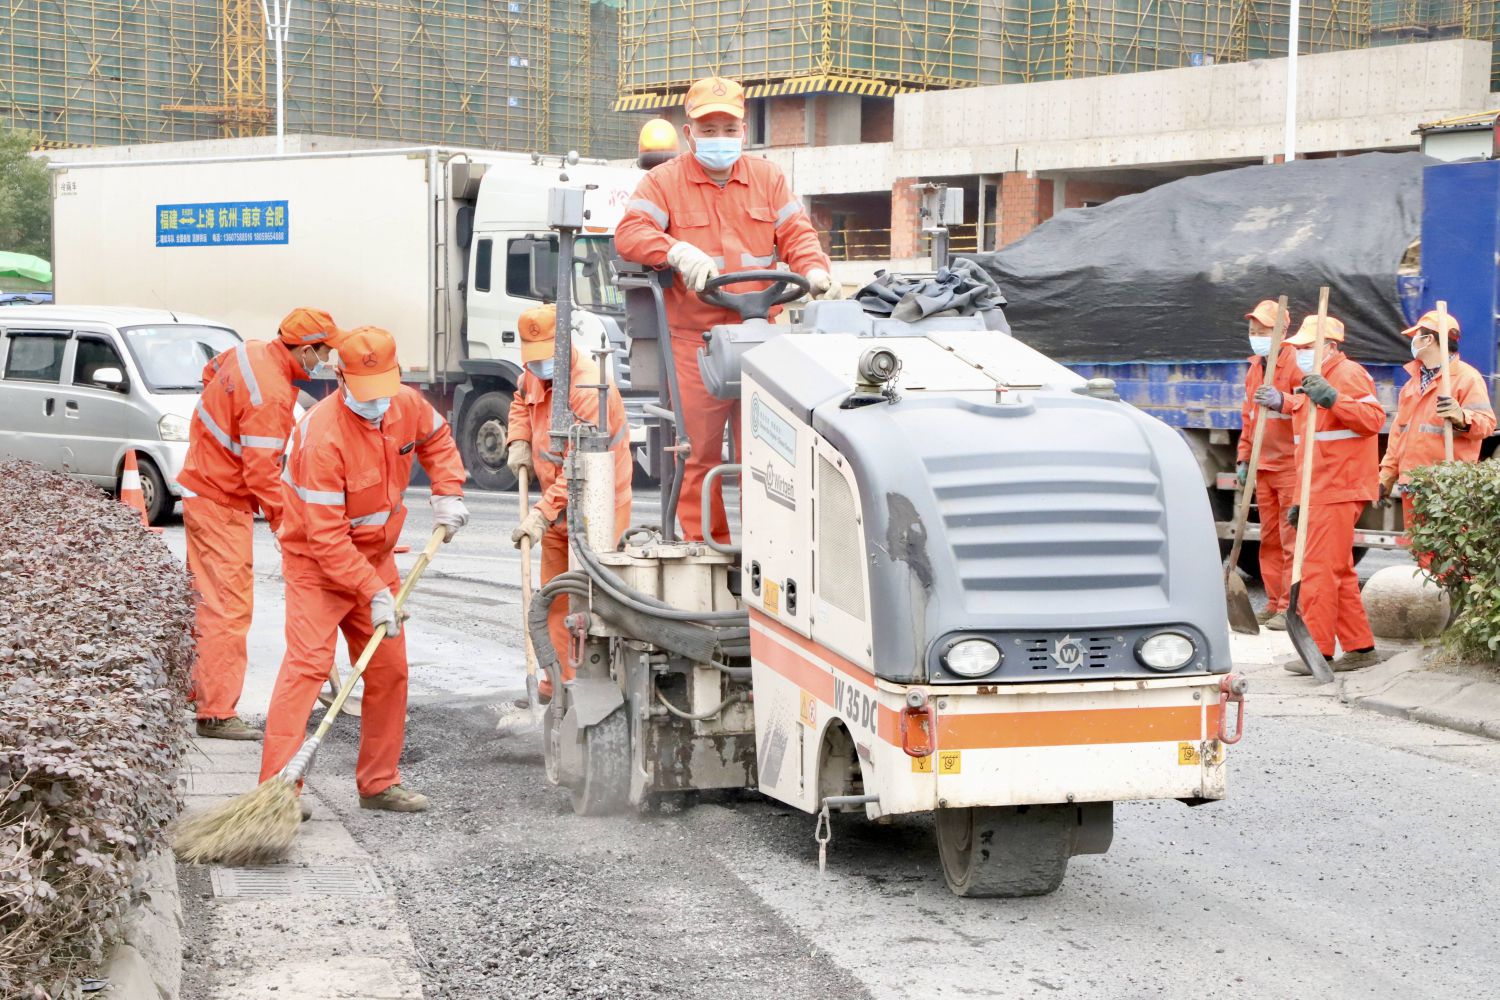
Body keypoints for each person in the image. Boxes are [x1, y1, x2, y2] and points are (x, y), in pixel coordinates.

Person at [614, 75, 834, 544]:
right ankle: (705, 548)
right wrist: (673, 250)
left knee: (771, 450)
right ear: (689, 133)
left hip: (760, 336)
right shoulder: (664, 182)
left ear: (743, 130)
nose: (720, 138)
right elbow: (630, 234)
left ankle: (770, 547)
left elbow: (797, 234)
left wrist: (814, 270)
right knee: (697, 453)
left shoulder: (768, 179)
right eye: (708, 129)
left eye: (728, 129)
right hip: (697, 343)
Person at [259, 327, 469, 812]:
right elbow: (326, 539)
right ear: (340, 378)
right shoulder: (322, 439)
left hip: (375, 560)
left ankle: (379, 783)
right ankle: (276, 792)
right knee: (306, 670)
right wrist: (373, 592)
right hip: (316, 566)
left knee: (389, 670)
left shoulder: (405, 404)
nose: (377, 403)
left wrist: (448, 491)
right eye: (366, 392)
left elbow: (437, 439)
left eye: (383, 389)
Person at [178, 307, 343, 740]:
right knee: (228, 607)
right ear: (305, 350)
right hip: (221, 500)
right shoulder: (270, 396)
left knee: (206, 600)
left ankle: (197, 689)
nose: (327, 361)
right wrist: (288, 524)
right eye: (324, 352)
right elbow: (263, 475)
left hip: (205, 485)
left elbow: (210, 373)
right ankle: (216, 713)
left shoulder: (250, 351)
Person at [505, 304, 633, 698]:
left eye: (544, 358)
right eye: (532, 359)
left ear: (563, 345)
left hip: (598, 507)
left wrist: (540, 515)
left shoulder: (588, 389)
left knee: (592, 602)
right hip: (556, 507)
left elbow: (579, 469)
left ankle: (598, 688)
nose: (538, 367)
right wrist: (518, 439)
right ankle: (558, 687)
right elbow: (520, 401)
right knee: (556, 597)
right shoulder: (534, 374)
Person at [1254, 314, 1385, 672]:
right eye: (1299, 347)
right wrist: (1300, 499)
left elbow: (1373, 420)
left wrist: (1333, 398)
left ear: (1329, 347)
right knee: (1337, 571)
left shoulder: (1347, 374)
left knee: (1317, 572)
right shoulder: (1312, 381)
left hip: (1337, 488)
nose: (1300, 352)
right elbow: (1307, 450)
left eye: (1307, 346)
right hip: (1323, 488)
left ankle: (1318, 651)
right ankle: (1360, 649)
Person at [1379, 310, 1496, 566]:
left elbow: (1487, 424)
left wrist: (1462, 417)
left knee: (1449, 559)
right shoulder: (1413, 384)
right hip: (1414, 484)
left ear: (1429, 339)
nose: (1412, 341)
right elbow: (1399, 434)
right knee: (1423, 556)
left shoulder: (1466, 378)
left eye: (1417, 336)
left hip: (1446, 487)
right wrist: (1386, 476)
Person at [1237, 299, 1302, 631]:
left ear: (1281, 332)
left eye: (1262, 331)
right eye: (1253, 330)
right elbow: (1248, 418)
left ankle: (1289, 606)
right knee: (1270, 539)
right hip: (1264, 466)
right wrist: (1244, 457)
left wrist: (1282, 401)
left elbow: (1308, 405)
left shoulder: (1295, 363)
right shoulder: (1255, 368)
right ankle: (1274, 601)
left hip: (1290, 466)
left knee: (1290, 540)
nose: (1256, 336)